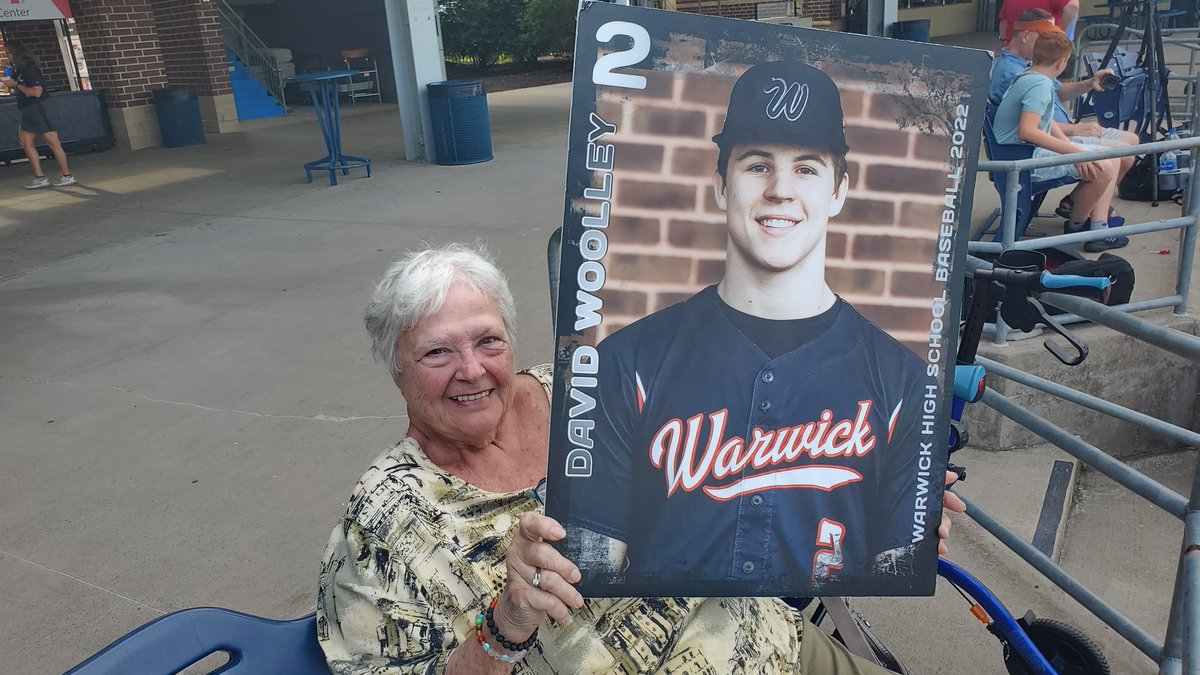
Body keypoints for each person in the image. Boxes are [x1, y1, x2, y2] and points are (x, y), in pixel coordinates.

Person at [316, 243, 966, 673]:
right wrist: (506, 620)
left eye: (487, 339)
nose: (471, 370)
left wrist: (883, 506)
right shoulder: (385, 519)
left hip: (771, 645)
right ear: (396, 369)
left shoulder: (595, 390)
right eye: (437, 352)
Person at [560, 61, 942, 596]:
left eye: (807, 168)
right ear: (721, 186)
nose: (781, 190)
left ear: (838, 192)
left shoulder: (906, 386)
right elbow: (588, 573)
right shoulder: (627, 363)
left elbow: (895, 584)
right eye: (757, 165)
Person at [989, 10, 1138, 225]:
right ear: (1062, 63)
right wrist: (1076, 150)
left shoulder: (1032, 74)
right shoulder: (1029, 78)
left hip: (1035, 148)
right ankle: (1085, 224)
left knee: (1116, 154)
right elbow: (1028, 129)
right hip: (1025, 155)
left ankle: (1087, 216)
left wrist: (1070, 146)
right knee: (1107, 163)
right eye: (1044, 37)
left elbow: (1044, 119)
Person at [0, 43, 75, 190]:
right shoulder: (19, 70)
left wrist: (17, 85)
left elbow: (36, 92)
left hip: (40, 108)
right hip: (27, 110)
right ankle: (40, 177)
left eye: (9, 52)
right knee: (25, 142)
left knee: (53, 142)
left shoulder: (30, 69)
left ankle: (67, 175)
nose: (7, 56)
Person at [999, 0, 1079, 42]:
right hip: (1043, 48)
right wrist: (1061, 31)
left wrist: (1003, 40)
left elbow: (1004, 22)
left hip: (1014, 48)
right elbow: (1073, 6)